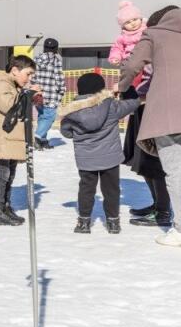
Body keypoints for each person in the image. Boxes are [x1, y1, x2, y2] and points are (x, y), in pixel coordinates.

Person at [116, 6, 181, 248]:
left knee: (177, 170)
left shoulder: (154, 34)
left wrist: (121, 87)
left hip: (168, 110)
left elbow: (132, 66)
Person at [58, 72, 138, 234]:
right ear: (101, 89)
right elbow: (132, 104)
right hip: (110, 157)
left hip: (86, 159)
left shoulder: (72, 111)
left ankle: (84, 222)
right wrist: (128, 91)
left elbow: (66, 132)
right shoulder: (111, 105)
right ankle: (113, 222)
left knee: (86, 189)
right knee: (111, 190)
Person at [122, 5, 177, 228]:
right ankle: (157, 204)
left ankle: (163, 212)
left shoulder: (172, 47)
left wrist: (125, 85)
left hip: (159, 110)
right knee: (143, 160)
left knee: (155, 162)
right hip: (144, 104)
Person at [0, 54, 41, 226]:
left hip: (9, 136)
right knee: (2, 174)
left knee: (10, 172)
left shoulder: (11, 85)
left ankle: (6, 207)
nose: (29, 78)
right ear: (15, 70)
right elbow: (9, 105)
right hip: (1, 137)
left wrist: (29, 96)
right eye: (28, 74)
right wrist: (28, 94)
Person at [33, 38, 64, 150]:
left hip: (38, 94)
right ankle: (36, 138)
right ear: (56, 49)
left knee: (42, 116)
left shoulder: (36, 60)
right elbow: (58, 77)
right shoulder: (55, 60)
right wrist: (62, 89)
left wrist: (35, 89)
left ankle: (43, 140)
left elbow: (32, 76)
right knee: (50, 117)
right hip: (51, 94)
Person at [108, 0, 146, 66]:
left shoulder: (147, 29)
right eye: (128, 22)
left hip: (146, 58)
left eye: (135, 19)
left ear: (140, 18)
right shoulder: (123, 36)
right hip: (130, 61)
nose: (133, 23)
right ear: (123, 25)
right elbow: (117, 48)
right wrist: (115, 58)